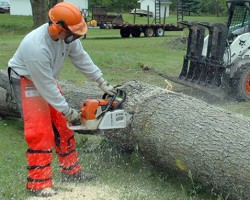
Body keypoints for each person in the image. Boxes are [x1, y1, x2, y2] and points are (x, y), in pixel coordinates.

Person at [7, 2, 115, 197]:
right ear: (57, 28)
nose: (74, 37)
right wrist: (67, 110)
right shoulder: (36, 47)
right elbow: (45, 86)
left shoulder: (68, 36)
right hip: (26, 80)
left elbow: (81, 58)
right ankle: (38, 184)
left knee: (64, 127)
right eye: (72, 33)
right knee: (40, 132)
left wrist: (102, 82)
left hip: (45, 78)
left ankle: (71, 172)